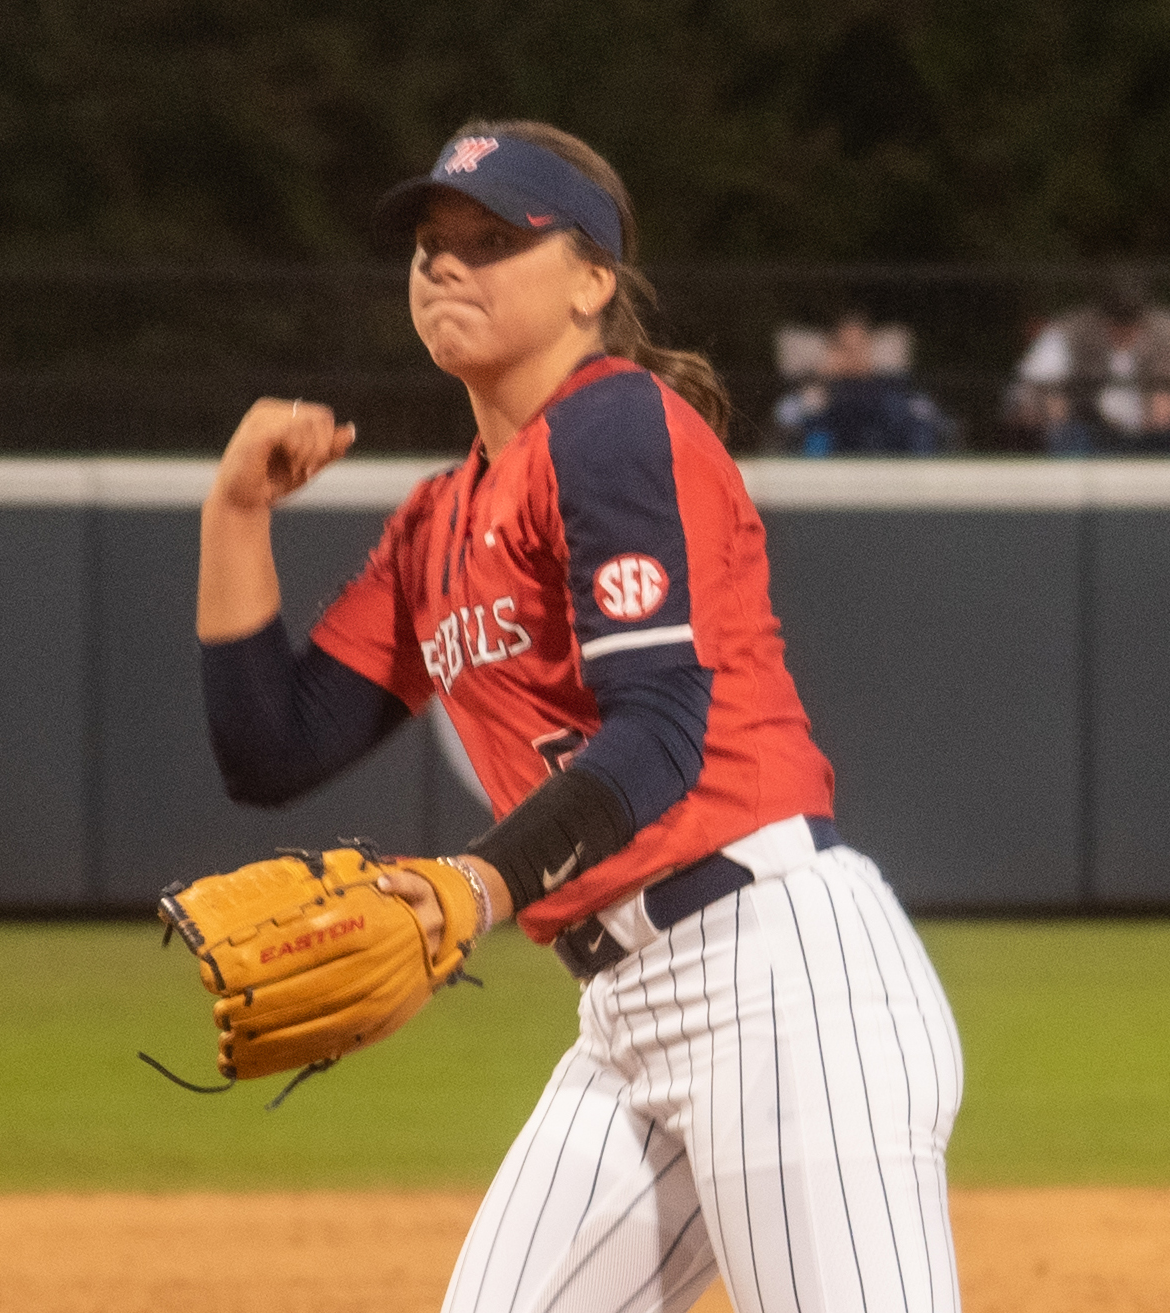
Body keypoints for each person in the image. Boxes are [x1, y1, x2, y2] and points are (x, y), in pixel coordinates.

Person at [197, 120, 963, 1313]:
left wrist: (476, 883)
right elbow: (271, 747)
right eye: (431, 244)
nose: (446, 264)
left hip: (780, 973)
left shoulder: (614, 425)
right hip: (626, 1011)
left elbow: (659, 729)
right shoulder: (436, 519)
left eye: (493, 239)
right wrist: (236, 513)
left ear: (593, 280)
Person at [1012, 275, 1170, 454]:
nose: (1124, 329)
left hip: (1160, 438)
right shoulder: (1069, 331)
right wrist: (1055, 404)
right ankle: (1067, 502)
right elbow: (1025, 392)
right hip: (1094, 435)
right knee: (1062, 428)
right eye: (1115, 320)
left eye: (1132, 320)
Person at [768, 311, 951, 455]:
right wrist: (820, 381)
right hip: (828, 466)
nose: (853, 357)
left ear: (869, 348)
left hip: (883, 457)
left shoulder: (894, 392)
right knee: (814, 424)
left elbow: (931, 418)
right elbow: (784, 418)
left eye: (859, 348)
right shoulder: (813, 395)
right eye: (846, 349)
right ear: (833, 351)